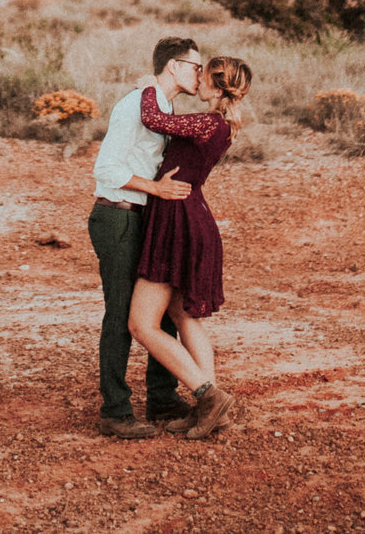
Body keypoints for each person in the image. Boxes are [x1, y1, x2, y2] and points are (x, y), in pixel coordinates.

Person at [87, 37, 207, 439]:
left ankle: (161, 397)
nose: (200, 74)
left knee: (158, 308)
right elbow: (106, 170)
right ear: (173, 66)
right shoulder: (133, 106)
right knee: (121, 315)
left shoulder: (160, 105)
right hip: (118, 217)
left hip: (145, 219)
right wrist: (155, 189)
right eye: (195, 66)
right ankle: (115, 412)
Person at [128, 55, 251, 441]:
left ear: (215, 87)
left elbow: (155, 119)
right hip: (191, 218)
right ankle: (209, 409)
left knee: (141, 324)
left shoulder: (207, 122)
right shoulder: (223, 124)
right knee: (184, 316)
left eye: (203, 73)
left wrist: (150, 83)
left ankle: (207, 396)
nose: (196, 78)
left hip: (177, 223)